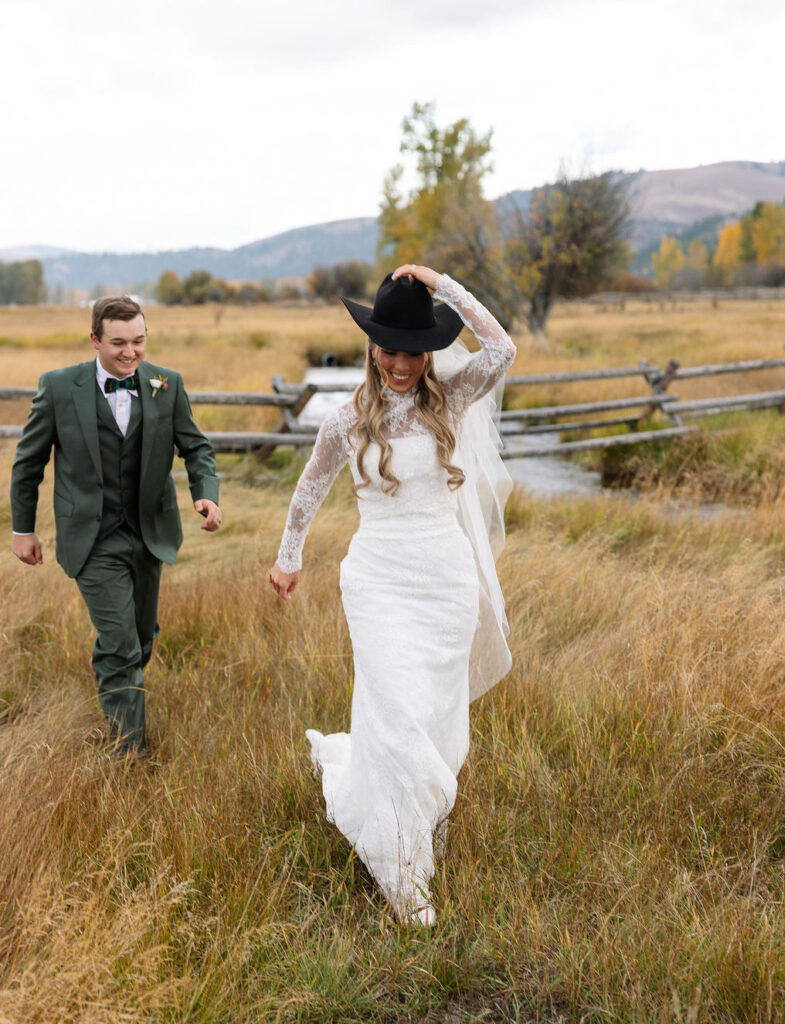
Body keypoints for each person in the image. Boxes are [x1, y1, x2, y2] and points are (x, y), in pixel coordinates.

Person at [269, 264, 516, 925]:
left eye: (413, 350)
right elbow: (310, 488)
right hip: (377, 578)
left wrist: (443, 284)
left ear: (428, 352)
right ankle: (401, 876)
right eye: (389, 349)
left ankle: (419, 827)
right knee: (397, 709)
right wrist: (287, 557)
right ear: (371, 348)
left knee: (434, 716)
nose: (401, 363)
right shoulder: (343, 422)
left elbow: (501, 349)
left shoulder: (452, 400)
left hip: (444, 578)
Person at [10, 295, 221, 757]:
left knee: (141, 638)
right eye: (119, 343)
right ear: (95, 340)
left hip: (150, 533)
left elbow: (196, 447)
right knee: (122, 644)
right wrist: (22, 530)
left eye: (139, 341)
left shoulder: (167, 384)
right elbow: (28, 463)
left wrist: (204, 492)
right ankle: (130, 754)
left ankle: (112, 672)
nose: (131, 352)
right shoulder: (60, 386)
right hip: (91, 537)